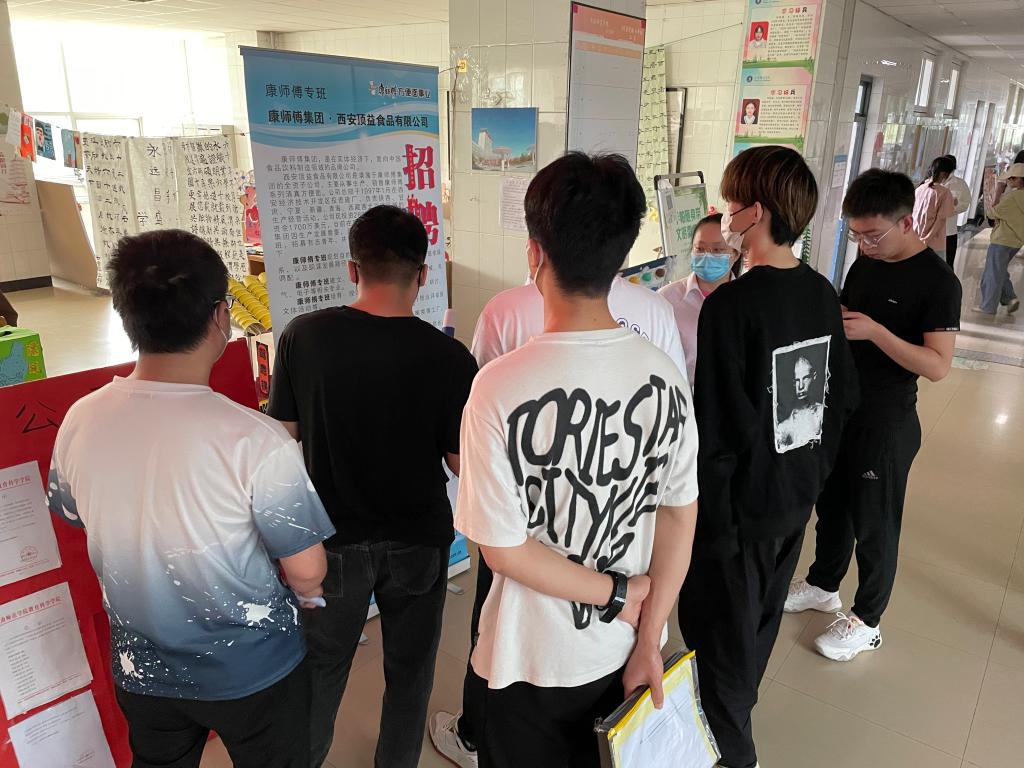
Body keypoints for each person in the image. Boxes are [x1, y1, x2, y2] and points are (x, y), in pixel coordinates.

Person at [46, 229, 334, 768]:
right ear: (220, 316)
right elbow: (307, 571)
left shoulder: (81, 418)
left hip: (142, 668)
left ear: (126, 314)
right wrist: (310, 594)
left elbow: (74, 515)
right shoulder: (256, 438)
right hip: (255, 672)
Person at [431, 179, 689, 768]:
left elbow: (502, 549)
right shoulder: (665, 375)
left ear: (534, 253)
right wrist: (649, 632)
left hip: (530, 656)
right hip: (627, 645)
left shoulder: (497, 387)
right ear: (621, 255)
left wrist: (618, 595)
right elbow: (680, 513)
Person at [268, 205, 478, 768]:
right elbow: (460, 462)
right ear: (423, 274)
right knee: (411, 669)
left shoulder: (303, 337)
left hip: (329, 540)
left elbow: (281, 439)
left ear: (352, 269)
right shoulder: (450, 356)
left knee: (322, 667)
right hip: (418, 538)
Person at [677, 146, 858, 768]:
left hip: (736, 515)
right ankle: (724, 729)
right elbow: (840, 398)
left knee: (720, 643)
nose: (725, 215)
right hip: (793, 498)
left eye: (731, 204)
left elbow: (718, 425)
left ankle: (733, 754)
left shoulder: (731, 305)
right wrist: (810, 474)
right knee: (754, 631)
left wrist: (710, 523)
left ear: (755, 212)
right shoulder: (819, 291)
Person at [787, 168, 961, 661]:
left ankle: (868, 620)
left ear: (907, 222)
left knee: (875, 523)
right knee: (833, 506)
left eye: (874, 235)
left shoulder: (939, 282)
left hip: (886, 419)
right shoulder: (866, 264)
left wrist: (877, 333)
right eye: (857, 234)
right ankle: (823, 584)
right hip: (842, 407)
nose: (864, 244)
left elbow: (938, 366)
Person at [659, 212, 742, 387]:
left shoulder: (748, 300)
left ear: (735, 254)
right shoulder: (666, 299)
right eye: (700, 248)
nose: (707, 255)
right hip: (684, 398)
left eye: (717, 250)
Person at [976, 162, 1024, 316]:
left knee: (993, 273)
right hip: (1017, 240)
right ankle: (1010, 298)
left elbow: (992, 213)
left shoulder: (1012, 197)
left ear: (1018, 179)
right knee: (999, 269)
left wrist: (996, 193)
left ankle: (988, 307)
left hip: (1002, 239)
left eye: (1011, 179)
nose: (1008, 181)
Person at [912, 156, 957, 261]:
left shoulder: (920, 189)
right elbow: (940, 220)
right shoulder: (944, 192)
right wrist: (926, 239)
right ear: (945, 174)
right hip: (934, 242)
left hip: (915, 238)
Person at [941, 154, 973, 269]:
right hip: (930, 231)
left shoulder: (960, 184)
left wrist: (950, 208)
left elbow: (965, 203)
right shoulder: (930, 182)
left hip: (949, 231)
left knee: (948, 263)